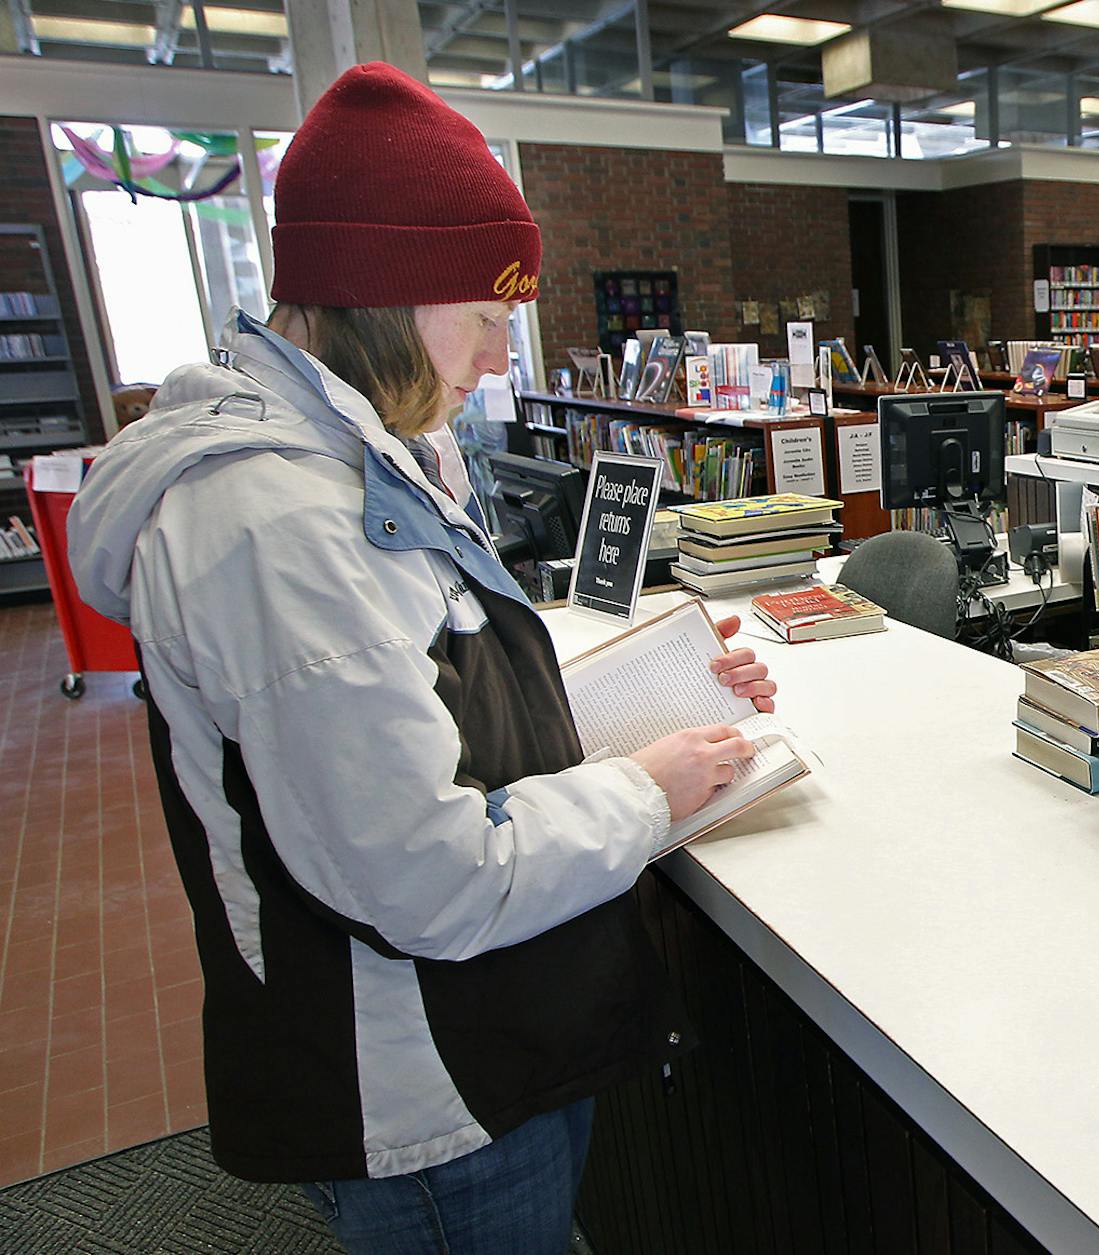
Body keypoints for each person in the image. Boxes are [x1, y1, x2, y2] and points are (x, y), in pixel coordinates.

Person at [68, 63, 775, 1251]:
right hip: (422, 1089)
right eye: (490, 317)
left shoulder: (370, 452)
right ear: (389, 293)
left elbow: (423, 713)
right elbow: (426, 875)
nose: (501, 359)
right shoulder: (277, 524)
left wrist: (659, 707)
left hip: (480, 1036)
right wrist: (645, 789)